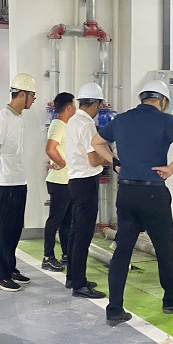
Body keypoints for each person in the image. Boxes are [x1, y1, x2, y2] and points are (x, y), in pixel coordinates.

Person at [92, 80, 173, 325]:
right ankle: (171, 300)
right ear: (163, 100)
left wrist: (115, 161)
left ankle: (114, 308)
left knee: (122, 251)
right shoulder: (166, 121)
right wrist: (170, 168)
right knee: (164, 250)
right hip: (153, 194)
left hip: (126, 193)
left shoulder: (122, 119)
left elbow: (96, 142)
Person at [0, 73, 36, 291]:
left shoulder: (19, 117)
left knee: (15, 229)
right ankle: (0, 275)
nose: (34, 99)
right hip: (6, 183)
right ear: (22, 94)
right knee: (4, 230)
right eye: (32, 95)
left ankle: (10, 268)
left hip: (19, 180)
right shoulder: (3, 119)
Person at [65, 82, 108, 299]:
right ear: (95, 104)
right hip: (86, 181)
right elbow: (93, 160)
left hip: (74, 180)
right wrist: (107, 159)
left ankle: (72, 277)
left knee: (75, 231)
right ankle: (79, 284)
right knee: (83, 234)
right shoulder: (88, 124)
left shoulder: (73, 121)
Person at [42, 92, 75, 272]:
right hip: (59, 181)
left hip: (66, 180)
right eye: (74, 105)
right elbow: (50, 149)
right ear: (69, 107)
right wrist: (62, 163)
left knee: (66, 221)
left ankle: (66, 254)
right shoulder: (58, 125)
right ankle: (48, 257)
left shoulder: (65, 125)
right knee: (55, 220)